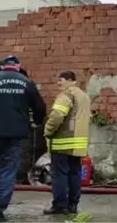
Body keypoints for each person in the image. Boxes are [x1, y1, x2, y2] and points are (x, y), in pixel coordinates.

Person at [0, 55, 46, 222]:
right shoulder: (27, 82)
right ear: (18, 66)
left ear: (2, 67)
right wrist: (37, 122)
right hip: (16, 134)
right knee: (9, 170)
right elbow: (40, 107)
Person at [42, 71, 91, 215]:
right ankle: (73, 205)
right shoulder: (84, 96)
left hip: (63, 143)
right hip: (78, 144)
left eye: (61, 80)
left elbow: (57, 115)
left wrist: (48, 131)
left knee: (59, 174)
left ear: (71, 80)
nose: (59, 83)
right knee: (74, 174)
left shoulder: (66, 95)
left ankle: (59, 206)